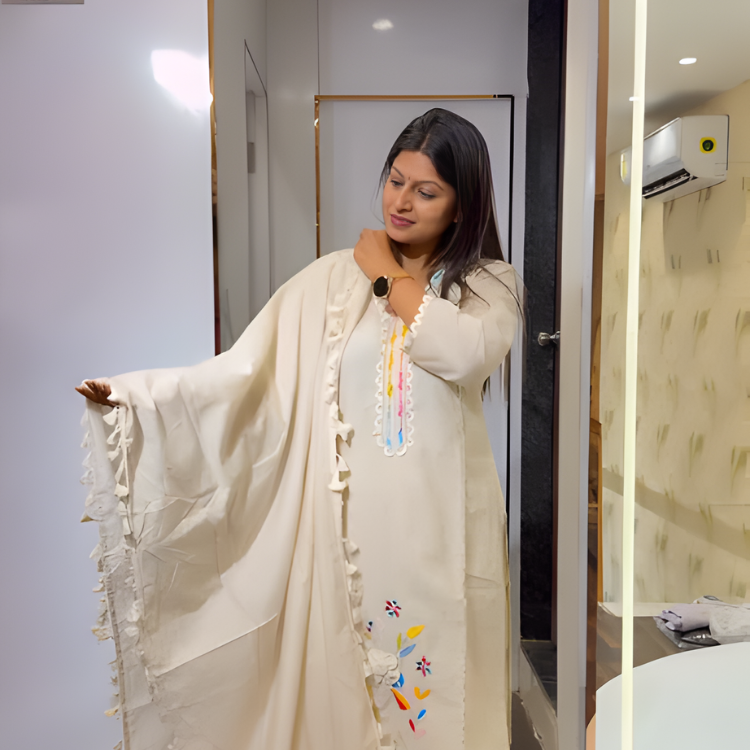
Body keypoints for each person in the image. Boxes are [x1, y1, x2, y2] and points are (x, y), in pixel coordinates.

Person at [77, 108, 522, 750]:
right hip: (346, 534)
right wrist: (137, 398)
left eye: (426, 192)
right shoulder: (333, 279)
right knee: (346, 692)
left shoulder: (485, 284)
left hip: (440, 528)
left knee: (434, 695)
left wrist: (387, 274)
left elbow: (465, 354)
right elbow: (247, 372)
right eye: (396, 181)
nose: (401, 202)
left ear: (461, 206)